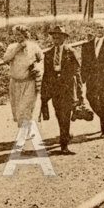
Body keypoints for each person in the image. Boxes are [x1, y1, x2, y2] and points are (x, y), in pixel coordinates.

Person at [41, 26, 83, 154]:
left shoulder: (70, 52)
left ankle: (63, 145)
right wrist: (44, 94)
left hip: (67, 88)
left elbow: (77, 72)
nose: (56, 39)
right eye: (54, 37)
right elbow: (46, 74)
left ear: (64, 38)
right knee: (59, 114)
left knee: (65, 115)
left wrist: (80, 93)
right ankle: (65, 134)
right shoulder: (48, 54)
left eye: (59, 37)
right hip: (54, 88)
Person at [2, 25, 44, 149]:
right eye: (16, 35)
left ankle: (21, 137)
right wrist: (16, 50)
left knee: (24, 109)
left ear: (26, 35)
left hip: (29, 82)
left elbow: (41, 59)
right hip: (15, 83)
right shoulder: (12, 47)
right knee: (17, 110)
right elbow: (5, 59)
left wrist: (37, 68)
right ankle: (28, 128)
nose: (18, 37)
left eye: (20, 35)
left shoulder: (34, 47)